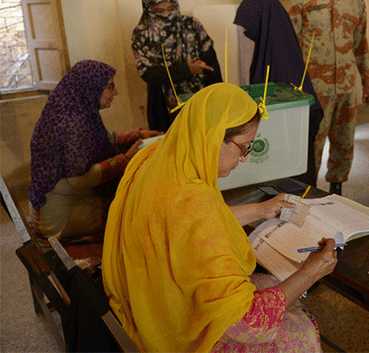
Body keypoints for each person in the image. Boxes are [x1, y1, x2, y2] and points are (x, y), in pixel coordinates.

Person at [102, 83, 338, 352]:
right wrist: (310, 273)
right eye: (245, 147)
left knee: (274, 284)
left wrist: (262, 209)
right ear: (214, 137)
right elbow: (245, 322)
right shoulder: (196, 204)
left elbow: (184, 225)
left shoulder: (154, 158)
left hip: (148, 299)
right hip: (176, 332)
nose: (245, 158)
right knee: (301, 334)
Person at [28, 60, 162, 240]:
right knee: (140, 208)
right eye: (109, 87)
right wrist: (126, 159)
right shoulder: (73, 123)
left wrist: (135, 135)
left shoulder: (70, 108)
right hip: (60, 216)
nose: (115, 92)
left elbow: (100, 139)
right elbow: (79, 179)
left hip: (57, 203)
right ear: (91, 87)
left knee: (134, 194)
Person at [289, 0, 369, 195]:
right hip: (314, 88)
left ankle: (337, 190)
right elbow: (290, 47)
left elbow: (361, 44)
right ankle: (308, 192)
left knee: (344, 140)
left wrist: (367, 82)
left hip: (347, 85)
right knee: (312, 143)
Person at [234, 0, 324, 186]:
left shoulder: (281, 58)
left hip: (290, 146)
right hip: (279, 142)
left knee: (293, 190)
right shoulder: (269, 47)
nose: (247, 32)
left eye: (249, 27)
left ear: (262, 23)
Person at [132, 0, 223, 132]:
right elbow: (148, 73)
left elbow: (211, 64)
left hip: (200, 102)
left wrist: (219, 100)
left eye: (171, 8)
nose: (167, 15)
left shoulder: (191, 25)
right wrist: (186, 70)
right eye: (159, 11)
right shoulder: (142, 35)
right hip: (165, 108)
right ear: (148, 10)